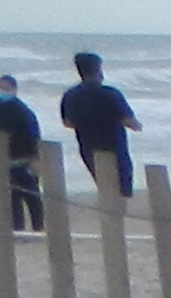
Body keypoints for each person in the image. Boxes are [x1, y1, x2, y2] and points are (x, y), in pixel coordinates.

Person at [56, 51, 135, 198]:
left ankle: (110, 216)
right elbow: (129, 121)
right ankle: (115, 219)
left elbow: (68, 123)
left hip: (88, 146)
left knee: (104, 187)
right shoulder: (110, 93)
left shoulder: (71, 95)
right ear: (98, 70)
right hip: (114, 147)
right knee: (122, 190)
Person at [0, 76, 39, 233]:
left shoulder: (23, 111)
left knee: (32, 196)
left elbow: (34, 135)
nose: (3, 91)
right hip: (0, 160)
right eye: (1, 87)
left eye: (6, 88)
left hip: (24, 159)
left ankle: (38, 227)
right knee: (11, 199)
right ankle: (17, 229)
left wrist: (35, 158)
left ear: (14, 89)